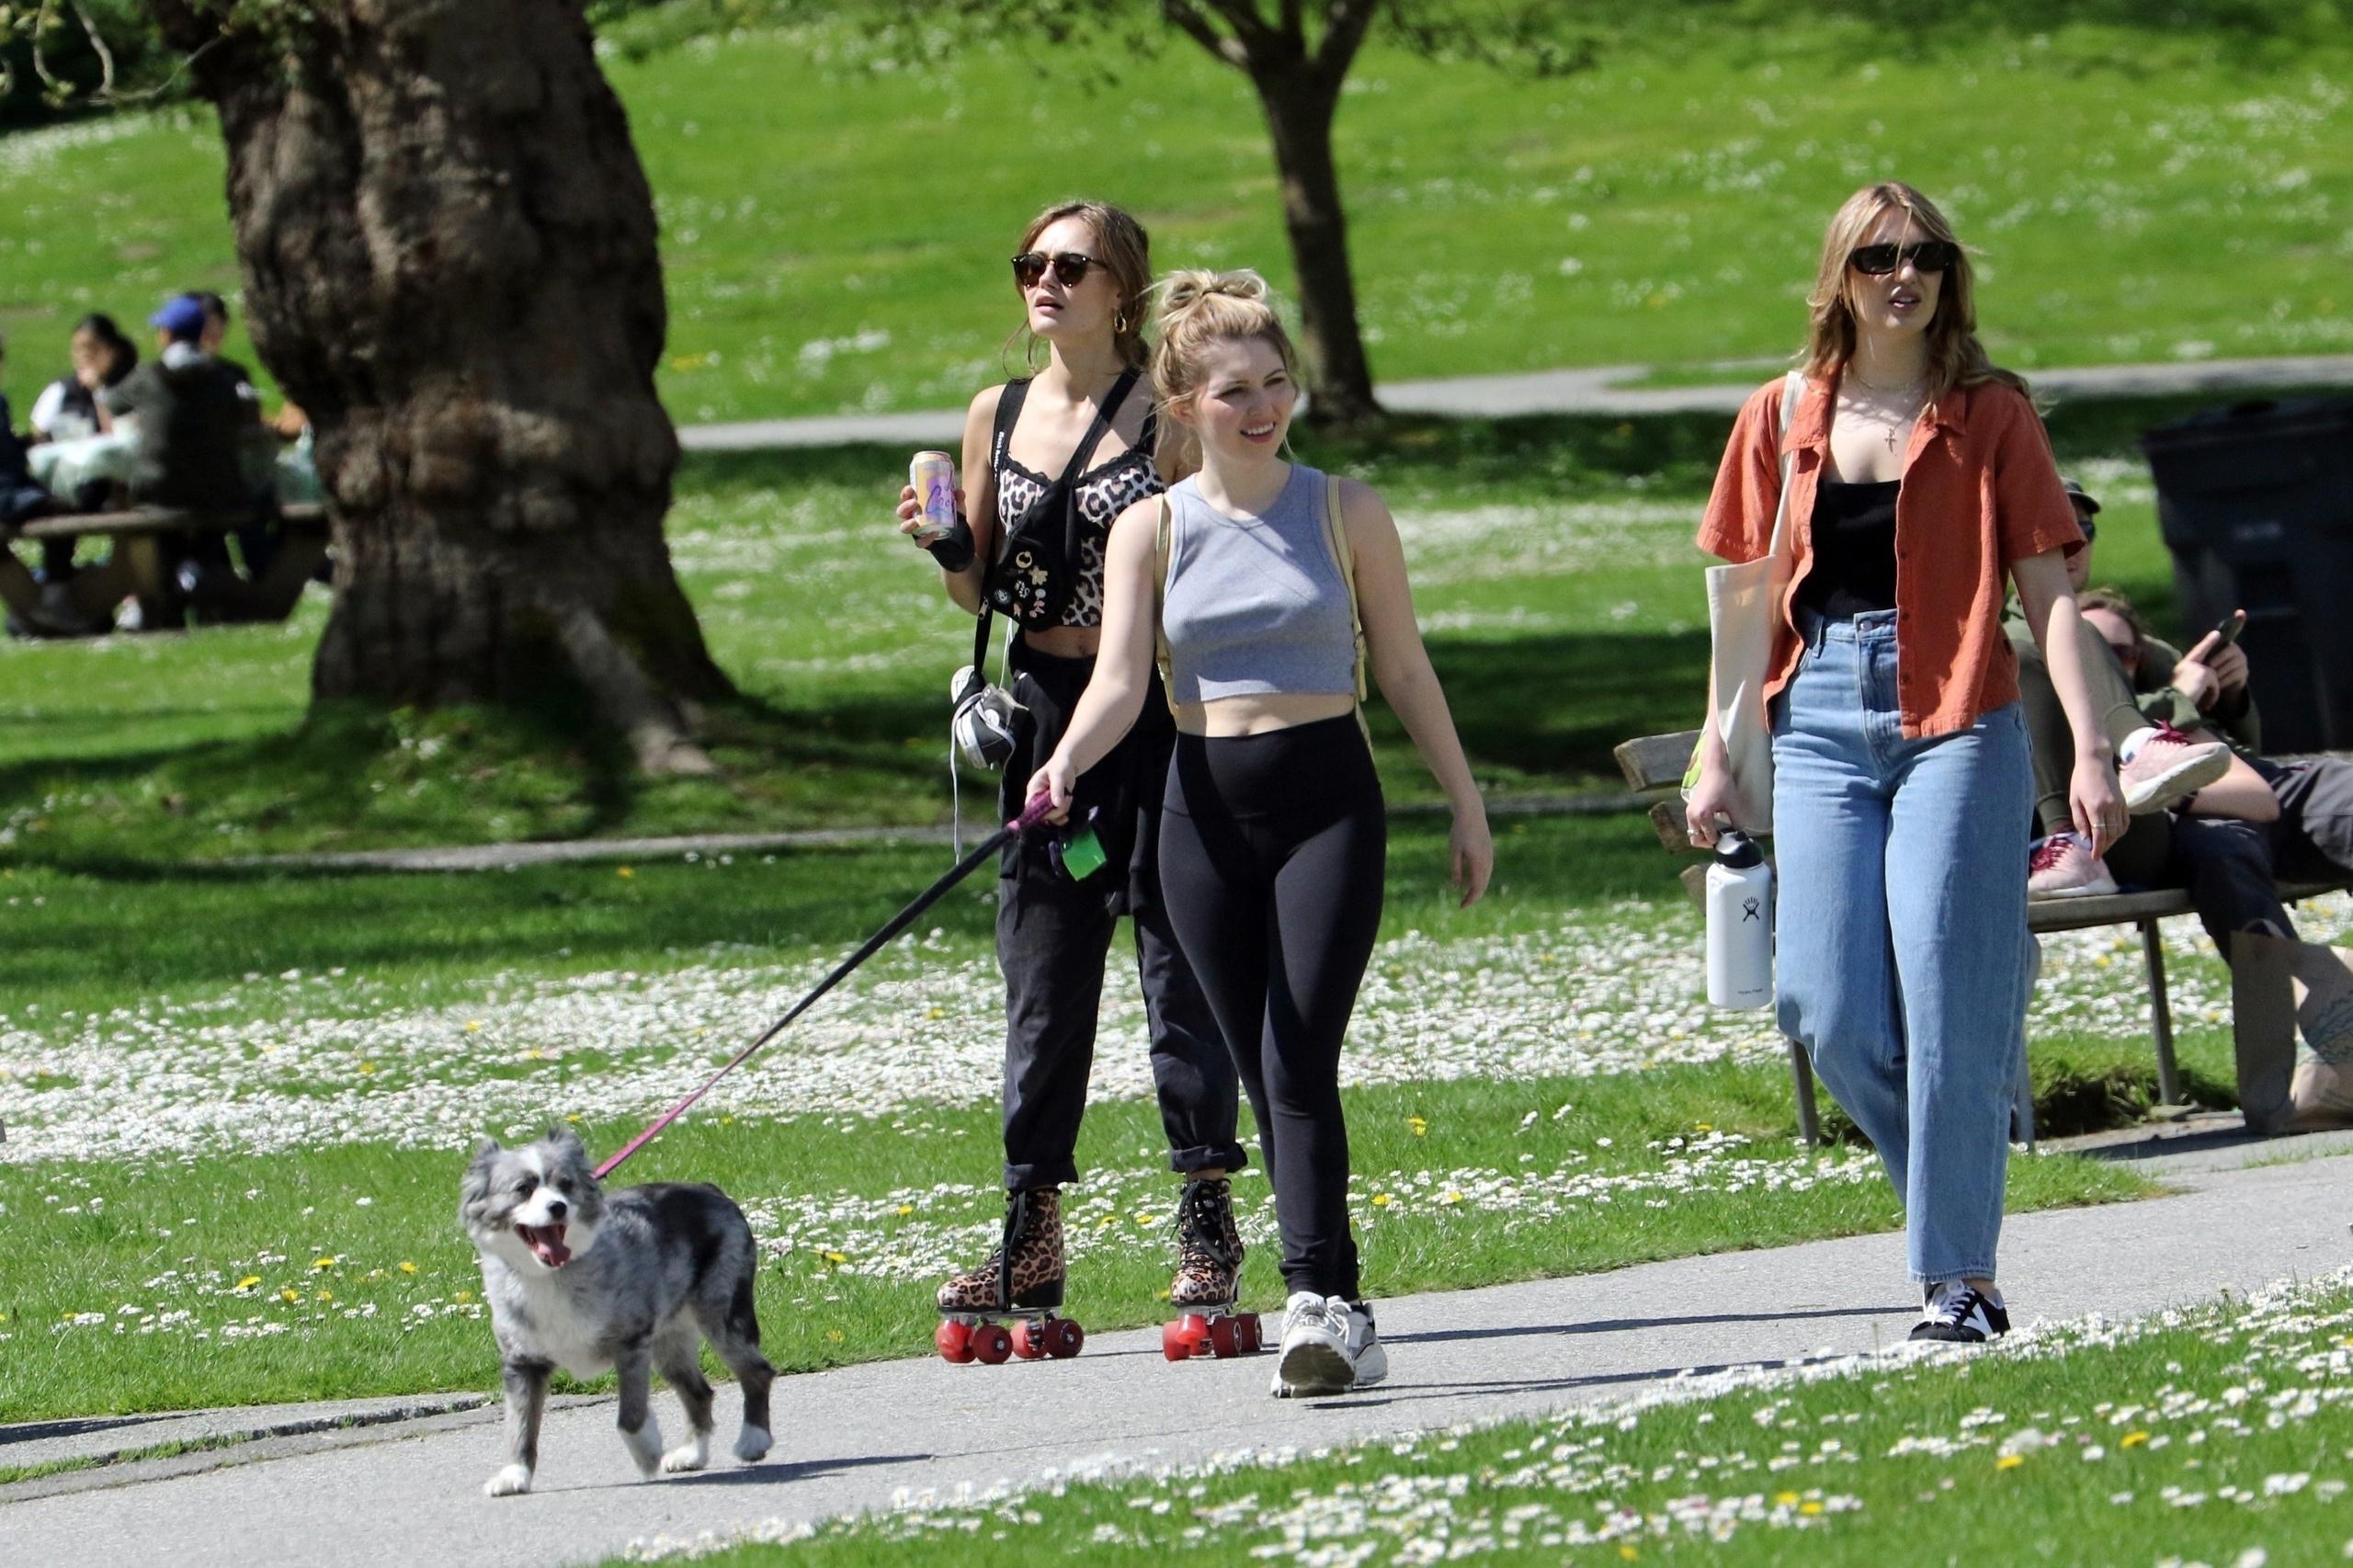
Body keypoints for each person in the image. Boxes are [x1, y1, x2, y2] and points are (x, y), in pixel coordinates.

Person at [1028, 269, 1494, 1396]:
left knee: (1297, 1050)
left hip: (1326, 799)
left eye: (1277, 383)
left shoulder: (1346, 509)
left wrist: (1465, 800)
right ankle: (1338, 1299)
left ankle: (1315, 1295)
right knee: (1257, 1060)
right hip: (1200, 811)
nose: (1262, 406)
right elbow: (1122, 681)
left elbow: (1402, 663)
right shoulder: (1151, 528)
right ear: (1184, 404)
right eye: (1234, 389)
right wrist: (1063, 761)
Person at [1687, 182, 2125, 1345]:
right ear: (1839, 275)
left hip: (1959, 715)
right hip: (1818, 711)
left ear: (1947, 274)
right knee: (1823, 1008)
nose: (1903, 274)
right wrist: (1717, 754)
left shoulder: (1990, 415)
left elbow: (2052, 599)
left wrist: (2091, 747)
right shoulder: (1779, 416)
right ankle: (1959, 1154)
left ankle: (1960, 1280)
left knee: (1947, 999)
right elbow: (1737, 605)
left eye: (1924, 255)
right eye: (1878, 256)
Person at [890, 201, 1248, 1336]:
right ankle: (1028, 1234)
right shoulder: (994, 412)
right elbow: (979, 585)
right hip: (1046, 716)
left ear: (1121, 288)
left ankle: (1205, 1220)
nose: (1042, 282)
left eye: (1068, 266)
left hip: (1161, 717)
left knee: (1178, 970)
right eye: (1028, 265)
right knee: (1042, 981)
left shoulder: (1168, 414)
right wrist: (946, 544)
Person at [24, 313, 140, 585]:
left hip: (118, 485)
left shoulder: (128, 389)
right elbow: (37, 436)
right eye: (77, 349)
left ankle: (132, 586)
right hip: (70, 485)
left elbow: (123, 439)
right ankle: (58, 583)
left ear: (111, 352)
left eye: (90, 349)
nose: (82, 357)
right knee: (57, 506)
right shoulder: (60, 392)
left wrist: (100, 391)